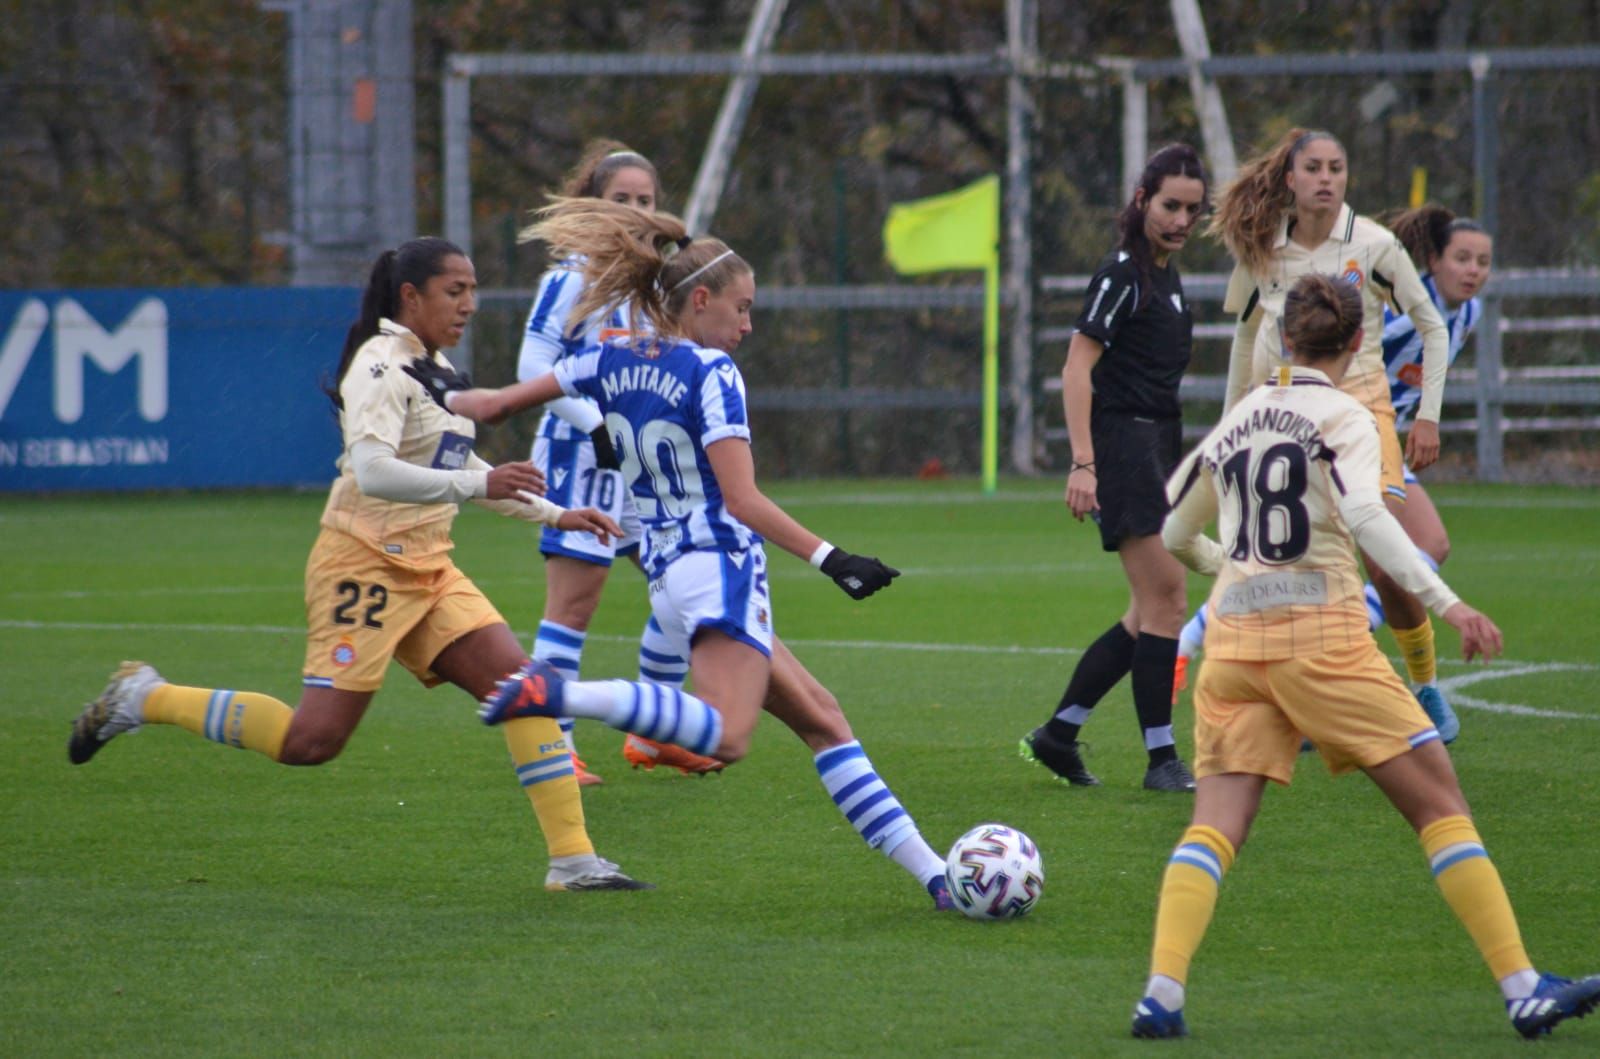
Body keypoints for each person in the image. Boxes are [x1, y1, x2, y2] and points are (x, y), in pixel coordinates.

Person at [404, 198, 959, 910]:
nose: (748, 325)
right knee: (727, 736)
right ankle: (558, 693)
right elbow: (743, 500)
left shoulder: (607, 356)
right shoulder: (712, 373)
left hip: (669, 574)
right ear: (701, 300)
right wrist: (832, 557)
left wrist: (431, 388)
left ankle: (937, 875)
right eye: (743, 307)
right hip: (717, 565)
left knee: (823, 718)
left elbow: (493, 405)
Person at [66, 237, 649, 893]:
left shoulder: (433, 363)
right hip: (363, 564)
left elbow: (457, 466)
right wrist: (482, 488)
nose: (469, 304)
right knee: (311, 742)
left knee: (523, 688)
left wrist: (554, 512)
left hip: (430, 566)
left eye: (472, 289)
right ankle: (146, 696)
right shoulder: (379, 364)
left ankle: (573, 861)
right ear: (411, 296)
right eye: (454, 290)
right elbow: (374, 472)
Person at [1129, 273, 1600, 1041]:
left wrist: (1238, 565)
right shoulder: (1346, 414)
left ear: (1284, 339)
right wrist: (1450, 602)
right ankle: (1523, 988)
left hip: (1235, 648)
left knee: (1213, 826)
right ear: (1356, 344)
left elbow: (1174, 530)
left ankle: (1162, 991)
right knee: (1442, 806)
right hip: (1322, 640)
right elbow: (1364, 514)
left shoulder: (1240, 417)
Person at [1172, 204, 1493, 742]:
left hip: (1372, 441)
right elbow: (1323, 355)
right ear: (1432, 262)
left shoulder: (1469, 314)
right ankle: (1252, 663)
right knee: (1334, 562)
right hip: (1337, 440)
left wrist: (1418, 420)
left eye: (1483, 261)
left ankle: (1411, 687)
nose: (1473, 270)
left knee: (1422, 547)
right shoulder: (1391, 317)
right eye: (1462, 258)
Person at [515, 139, 716, 784]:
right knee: (574, 604)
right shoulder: (571, 276)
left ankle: (652, 732)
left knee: (679, 589)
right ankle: (552, 745)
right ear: (590, 205)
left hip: (640, 462)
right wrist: (598, 425)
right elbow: (531, 370)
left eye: (645, 201)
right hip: (582, 456)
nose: (633, 210)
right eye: (620, 199)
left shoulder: (655, 283)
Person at [1018, 144, 1209, 793]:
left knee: (1144, 612)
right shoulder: (1123, 271)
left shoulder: (1166, 275)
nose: (1181, 219)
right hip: (1122, 445)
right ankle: (1162, 760)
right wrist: (1083, 464)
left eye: (1191, 208)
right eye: (1169, 205)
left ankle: (1058, 734)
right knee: (1168, 600)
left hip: (1157, 446)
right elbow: (1077, 367)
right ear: (1141, 201)